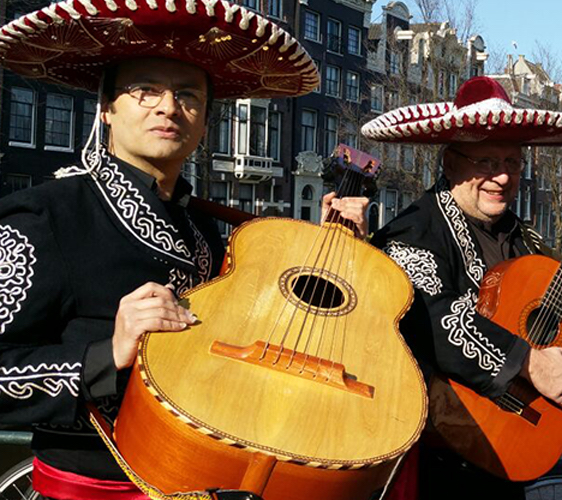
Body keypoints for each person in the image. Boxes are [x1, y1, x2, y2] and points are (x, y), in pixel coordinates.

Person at [0, 1, 369, 498]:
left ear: (204, 120)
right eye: (145, 90)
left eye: (188, 95)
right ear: (106, 109)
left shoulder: (205, 228)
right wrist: (106, 354)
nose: (168, 107)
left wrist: (337, 246)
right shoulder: (46, 218)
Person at [361, 76, 562, 499]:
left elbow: (548, 318)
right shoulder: (413, 233)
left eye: (512, 163)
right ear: (450, 163)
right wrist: (530, 365)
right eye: (486, 163)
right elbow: (431, 317)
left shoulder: (521, 234)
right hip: (433, 462)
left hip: (505, 451)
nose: (502, 177)